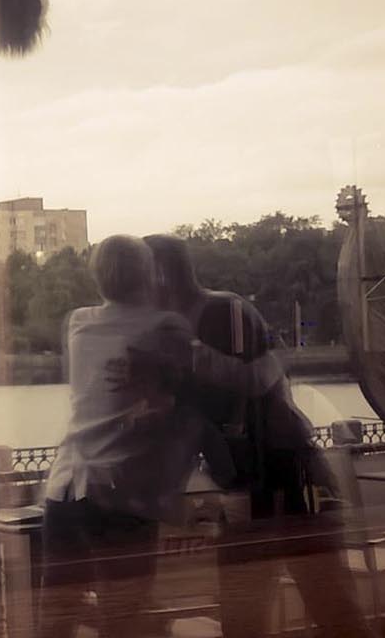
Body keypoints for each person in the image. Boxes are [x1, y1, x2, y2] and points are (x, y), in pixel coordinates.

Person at [40, 235, 272, 638]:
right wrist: (269, 367)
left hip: (64, 486)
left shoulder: (77, 322)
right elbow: (218, 377)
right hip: (121, 493)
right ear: (149, 275)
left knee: (58, 612)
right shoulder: (165, 326)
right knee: (123, 615)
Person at [143, 234, 372, 638]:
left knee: (314, 602)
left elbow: (261, 378)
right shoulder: (200, 322)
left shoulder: (221, 312)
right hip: (263, 481)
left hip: (283, 477)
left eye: (138, 277)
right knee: (267, 608)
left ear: (160, 274)